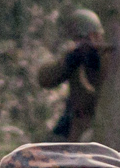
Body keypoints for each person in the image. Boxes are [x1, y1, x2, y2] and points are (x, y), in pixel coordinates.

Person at [37, 9, 105, 141]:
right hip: (76, 125)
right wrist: (68, 61)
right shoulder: (75, 59)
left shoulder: (109, 59)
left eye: (85, 38)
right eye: (78, 39)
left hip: (101, 126)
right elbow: (45, 79)